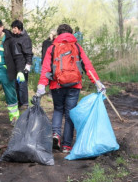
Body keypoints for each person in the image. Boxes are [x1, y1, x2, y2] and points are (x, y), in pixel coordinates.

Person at [36, 24, 106, 153]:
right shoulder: (77, 47)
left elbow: (45, 68)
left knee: (58, 110)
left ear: (58, 34)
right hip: (74, 85)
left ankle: (56, 134)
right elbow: (87, 66)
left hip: (56, 85)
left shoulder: (52, 47)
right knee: (70, 114)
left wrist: (41, 86)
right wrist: (97, 82)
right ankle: (67, 146)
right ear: (71, 33)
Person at [10, 20, 33, 110]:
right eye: (12, 28)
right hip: (14, 64)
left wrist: (28, 64)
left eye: (15, 28)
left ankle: (24, 103)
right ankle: (18, 102)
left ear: (19, 28)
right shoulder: (13, 37)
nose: (13, 30)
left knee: (22, 85)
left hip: (23, 64)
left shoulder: (25, 38)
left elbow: (28, 53)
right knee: (15, 84)